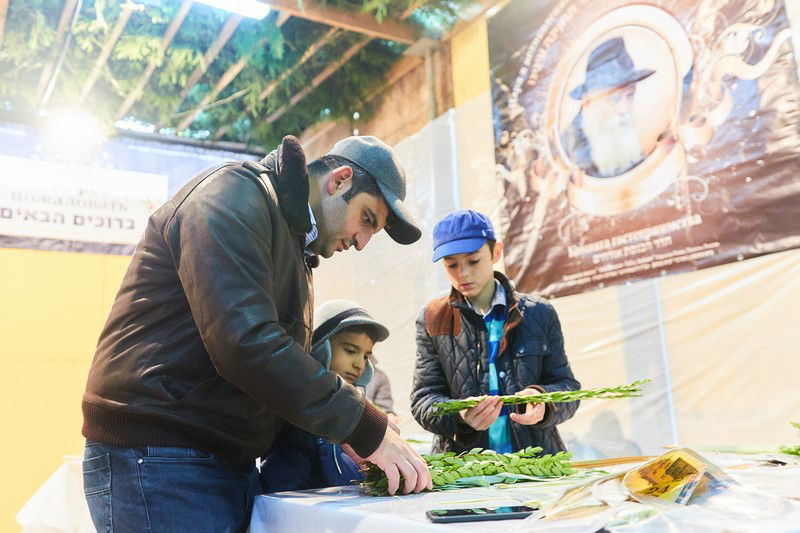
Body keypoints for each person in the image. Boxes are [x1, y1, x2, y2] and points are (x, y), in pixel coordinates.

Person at [81, 135, 431, 533]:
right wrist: (363, 426)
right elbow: (244, 343)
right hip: (162, 459)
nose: (363, 242)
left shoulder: (293, 245)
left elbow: (268, 370)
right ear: (340, 180)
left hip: (215, 461)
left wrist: (342, 436)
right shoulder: (231, 194)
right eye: (368, 219)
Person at [410, 209, 580, 455]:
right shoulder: (434, 318)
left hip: (535, 464)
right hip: (464, 469)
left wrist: (544, 400)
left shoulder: (539, 313)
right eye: (452, 265)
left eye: (473, 261)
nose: (463, 273)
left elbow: (569, 388)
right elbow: (423, 400)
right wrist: (459, 414)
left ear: (496, 252)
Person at [261, 300, 389, 492]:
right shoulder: (296, 418)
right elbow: (285, 490)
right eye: (350, 350)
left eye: (366, 356)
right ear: (320, 347)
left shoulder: (350, 417)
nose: (359, 364)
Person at [561, 36, 655, 178]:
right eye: (613, 99)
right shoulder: (567, 148)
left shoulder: (628, 130)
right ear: (588, 102)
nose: (625, 108)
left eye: (629, 95)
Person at [365, 362, 401, 426]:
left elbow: (385, 409)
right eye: (350, 351)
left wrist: (389, 415)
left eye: (365, 356)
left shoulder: (378, 376)